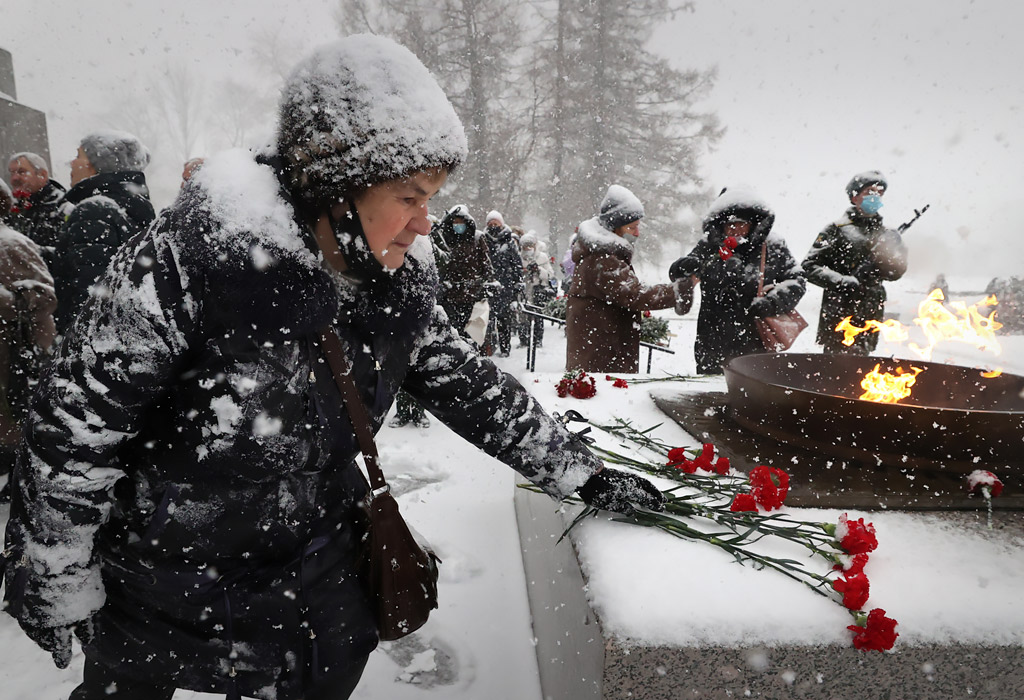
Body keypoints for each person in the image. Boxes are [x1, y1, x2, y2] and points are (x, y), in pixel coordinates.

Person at [2, 34, 663, 700]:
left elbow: (472, 385)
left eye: (430, 198)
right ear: (338, 190)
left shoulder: (392, 282)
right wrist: (53, 578)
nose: (424, 224)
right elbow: (74, 428)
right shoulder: (178, 265)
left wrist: (579, 472)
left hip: (312, 585)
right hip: (161, 584)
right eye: (410, 197)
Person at [670, 189, 805, 374]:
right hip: (712, 341)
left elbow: (796, 280)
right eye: (730, 225)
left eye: (741, 224)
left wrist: (772, 302)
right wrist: (683, 267)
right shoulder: (709, 245)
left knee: (755, 394)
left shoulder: (773, 246)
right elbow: (678, 273)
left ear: (753, 224)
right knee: (711, 395)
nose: (735, 230)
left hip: (756, 341)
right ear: (721, 225)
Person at [566, 184, 694, 373]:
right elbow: (634, 294)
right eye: (632, 227)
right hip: (601, 356)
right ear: (615, 227)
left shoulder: (601, 254)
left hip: (596, 353)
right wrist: (679, 290)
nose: (637, 233)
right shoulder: (603, 258)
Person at [54, 130, 155, 336]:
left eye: (78, 155)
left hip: (94, 343)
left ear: (96, 164)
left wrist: (74, 346)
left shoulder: (94, 209)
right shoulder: (131, 205)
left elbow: (90, 292)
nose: (71, 163)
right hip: (126, 337)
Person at [802, 170, 907, 355]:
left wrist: (887, 260)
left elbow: (896, 272)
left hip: (870, 312)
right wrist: (842, 282)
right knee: (834, 370)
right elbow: (809, 267)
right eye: (869, 192)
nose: (874, 197)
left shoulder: (887, 234)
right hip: (839, 312)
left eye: (879, 193)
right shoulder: (836, 230)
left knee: (864, 374)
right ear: (854, 197)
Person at [0, 179, 56, 500]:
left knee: (14, 429)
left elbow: (44, 296)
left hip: (13, 354)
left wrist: (6, 300)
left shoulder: (11, 243)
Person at [436, 203, 495, 348]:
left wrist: (482, 282)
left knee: (472, 331)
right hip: (449, 294)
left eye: (460, 222)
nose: (458, 225)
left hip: (472, 294)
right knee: (452, 330)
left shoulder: (477, 238)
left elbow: (486, 265)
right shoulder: (445, 238)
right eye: (455, 222)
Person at [6, 152, 67, 271]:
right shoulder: (12, 211)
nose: (14, 178)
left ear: (42, 175)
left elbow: (69, 255)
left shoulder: (63, 208)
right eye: (11, 173)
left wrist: (26, 251)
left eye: (21, 172)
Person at [483, 209, 522, 356]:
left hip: (506, 287)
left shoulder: (509, 243)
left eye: (496, 223)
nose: (493, 226)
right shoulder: (483, 240)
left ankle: (505, 348)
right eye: (490, 223)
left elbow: (516, 265)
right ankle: (488, 347)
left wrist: (517, 284)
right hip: (488, 286)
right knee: (486, 319)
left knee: (504, 320)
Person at [517, 230, 555, 349]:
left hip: (538, 291)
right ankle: (524, 340)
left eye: (530, 246)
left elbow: (550, 275)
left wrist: (538, 270)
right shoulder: (518, 257)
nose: (528, 249)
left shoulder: (542, 257)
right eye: (525, 246)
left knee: (538, 316)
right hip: (524, 291)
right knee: (523, 316)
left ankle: (538, 340)